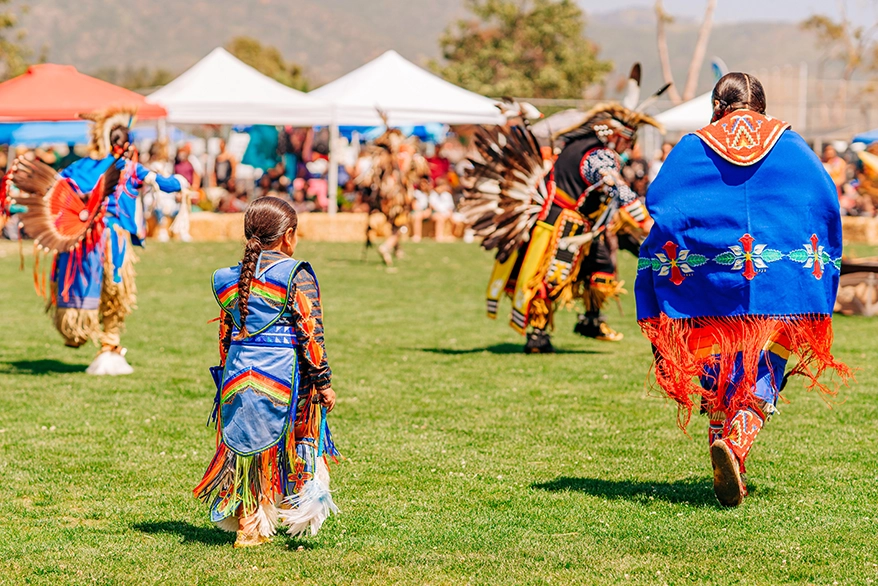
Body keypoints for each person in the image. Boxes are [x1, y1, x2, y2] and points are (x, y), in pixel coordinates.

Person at [635, 72, 851, 507]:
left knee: (715, 363)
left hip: (710, 282)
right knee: (769, 360)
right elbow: (824, 202)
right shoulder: (792, 146)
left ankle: (725, 447)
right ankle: (736, 446)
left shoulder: (695, 145)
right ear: (763, 107)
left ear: (717, 106)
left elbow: (662, 202)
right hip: (780, 283)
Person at [462, 64, 660, 353]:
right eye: (628, 139)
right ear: (616, 135)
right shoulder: (600, 155)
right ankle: (537, 336)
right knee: (551, 279)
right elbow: (615, 185)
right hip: (561, 226)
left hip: (576, 224)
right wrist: (645, 220)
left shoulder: (578, 143)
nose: (628, 146)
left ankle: (591, 319)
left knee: (601, 263)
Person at [194, 197, 339, 547]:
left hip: (238, 376)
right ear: (288, 236)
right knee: (290, 444)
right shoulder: (295, 273)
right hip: (286, 379)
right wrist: (324, 382)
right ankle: (286, 510)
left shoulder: (230, 278)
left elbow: (226, 336)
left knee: (248, 452)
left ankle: (249, 526)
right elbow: (310, 333)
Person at [9, 106, 188, 374]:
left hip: (80, 242)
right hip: (112, 240)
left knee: (84, 284)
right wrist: (180, 182)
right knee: (116, 292)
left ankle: (77, 332)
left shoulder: (77, 167)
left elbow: (54, 194)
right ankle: (110, 343)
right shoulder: (128, 167)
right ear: (125, 143)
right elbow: (165, 184)